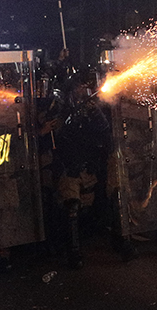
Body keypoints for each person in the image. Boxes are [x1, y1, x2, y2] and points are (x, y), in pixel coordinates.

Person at [53, 69, 111, 268]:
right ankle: (73, 252)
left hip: (88, 164)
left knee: (87, 208)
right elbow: (58, 133)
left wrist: (94, 113)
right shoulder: (62, 107)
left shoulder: (93, 108)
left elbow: (104, 131)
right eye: (80, 86)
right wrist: (72, 116)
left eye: (86, 87)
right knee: (72, 206)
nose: (83, 90)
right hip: (69, 164)